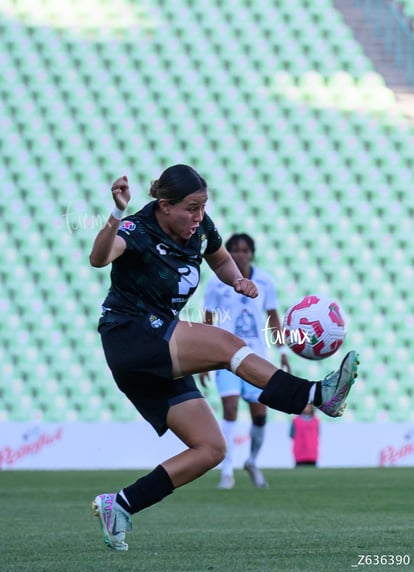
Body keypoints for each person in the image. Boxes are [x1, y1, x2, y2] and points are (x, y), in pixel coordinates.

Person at [89, 164, 359, 551]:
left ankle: (121, 504)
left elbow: (218, 258)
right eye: (191, 208)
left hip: (155, 344)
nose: (199, 217)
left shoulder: (199, 228)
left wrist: (236, 279)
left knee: (211, 448)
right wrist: (116, 214)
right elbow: (99, 258)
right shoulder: (136, 229)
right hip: (130, 335)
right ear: (164, 205)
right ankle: (314, 396)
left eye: (203, 207)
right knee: (225, 344)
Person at [200, 233, 291, 490]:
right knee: (229, 409)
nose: (240, 254)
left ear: (251, 253)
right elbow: (208, 319)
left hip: (257, 357)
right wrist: (203, 358)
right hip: (226, 356)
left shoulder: (264, 280)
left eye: (245, 250)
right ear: (227, 253)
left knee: (259, 415)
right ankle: (226, 470)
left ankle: (251, 461)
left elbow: (273, 317)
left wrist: (282, 350)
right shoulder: (217, 284)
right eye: (235, 250)